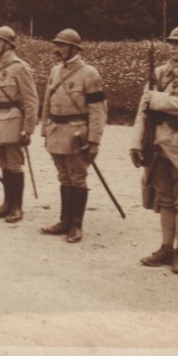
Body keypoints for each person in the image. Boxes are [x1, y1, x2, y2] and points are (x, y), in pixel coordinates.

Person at [132, 24, 178, 275]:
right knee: (164, 199)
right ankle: (165, 248)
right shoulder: (160, 72)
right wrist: (136, 141)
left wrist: (158, 100)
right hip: (159, 144)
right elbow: (143, 111)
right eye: (171, 42)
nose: (173, 47)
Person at [40, 28, 107, 243]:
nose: (56, 49)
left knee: (77, 177)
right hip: (56, 130)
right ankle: (64, 221)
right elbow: (47, 101)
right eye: (55, 45)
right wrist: (44, 128)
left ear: (74, 48)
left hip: (77, 132)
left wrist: (94, 140)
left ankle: (76, 225)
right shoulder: (54, 71)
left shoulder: (89, 73)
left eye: (61, 45)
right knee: (63, 176)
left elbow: (98, 109)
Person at [0, 26, 38, 223]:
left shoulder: (20, 67)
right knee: (3, 164)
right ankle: (6, 203)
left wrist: (28, 129)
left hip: (12, 120)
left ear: (7, 44)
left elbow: (31, 100)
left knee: (14, 164)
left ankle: (17, 207)